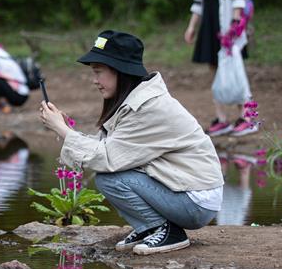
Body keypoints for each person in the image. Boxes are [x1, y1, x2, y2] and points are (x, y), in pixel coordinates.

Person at [39, 30, 224, 255]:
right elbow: (112, 148)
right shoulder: (136, 99)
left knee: (109, 178)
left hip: (196, 202)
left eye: (98, 72)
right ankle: (150, 228)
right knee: (112, 174)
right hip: (186, 191)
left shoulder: (147, 107)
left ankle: (165, 231)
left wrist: (62, 129)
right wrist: (68, 130)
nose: (94, 81)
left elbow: (106, 158)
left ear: (120, 71)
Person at [184, 0, 253, 137]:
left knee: (234, 67)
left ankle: (248, 116)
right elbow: (198, 1)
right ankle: (221, 118)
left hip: (228, 25)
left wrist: (233, 27)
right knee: (214, 69)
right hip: (209, 26)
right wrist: (191, 27)